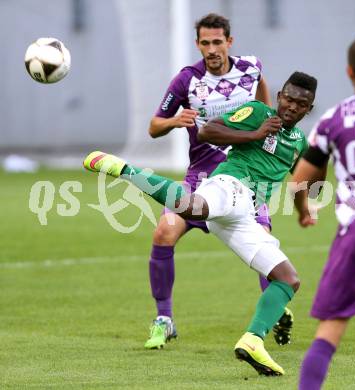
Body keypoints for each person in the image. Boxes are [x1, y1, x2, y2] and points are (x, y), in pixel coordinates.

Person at [83, 71, 317, 376]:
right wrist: (254, 134)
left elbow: (300, 181)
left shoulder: (298, 141)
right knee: (191, 208)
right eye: (287, 97)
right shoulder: (259, 113)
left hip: (245, 214)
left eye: (300, 104)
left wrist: (303, 209)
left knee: (288, 279)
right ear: (280, 95)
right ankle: (124, 169)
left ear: (308, 109)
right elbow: (208, 132)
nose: (290, 106)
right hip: (231, 184)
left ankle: (253, 342)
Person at [145, 12, 292, 350]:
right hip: (201, 178)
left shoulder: (251, 69)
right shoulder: (187, 81)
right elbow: (154, 126)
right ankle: (164, 319)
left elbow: (266, 110)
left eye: (217, 42)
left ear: (230, 41)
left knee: (263, 242)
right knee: (164, 231)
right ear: (198, 44)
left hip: (246, 178)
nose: (211, 49)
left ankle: (275, 314)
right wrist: (174, 121)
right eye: (205, 43)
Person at [291, 36, 355, 390]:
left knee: (330, 327)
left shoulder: (334, 118)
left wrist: (306, 208)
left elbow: (300, 180)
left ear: (349, 72)